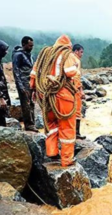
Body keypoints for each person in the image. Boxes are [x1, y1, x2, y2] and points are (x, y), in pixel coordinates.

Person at [30, 34, 79, 167]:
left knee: (51, 124)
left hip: (45, 95)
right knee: (67, 125)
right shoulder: (66, 54)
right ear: (68, 46)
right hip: (62, 95)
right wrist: (75, 65)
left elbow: (33, 75)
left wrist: (33, 90)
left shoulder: (45, 54)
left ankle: (52, 153)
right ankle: (67, 159)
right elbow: (69, 71)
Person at [12, 36, 38, 132]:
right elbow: (16, 72)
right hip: (23, 83)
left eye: (32, 46)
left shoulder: (28, 55)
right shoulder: (18, 55)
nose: (31, 47)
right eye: (30, 45)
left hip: (30, 83)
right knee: (26, 104)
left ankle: (32, 123)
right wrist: (20, 86)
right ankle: (28, 124)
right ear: (24, 45)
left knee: (31, 104)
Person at [72, 44, 86, 140]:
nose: (82, 54)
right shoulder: (75, 60)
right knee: (77, 111)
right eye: (81, 52)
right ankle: (76, 133)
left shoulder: (70, 58)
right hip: (74, 89)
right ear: (76, 51)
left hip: (71, 89)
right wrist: (81, 91)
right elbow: (76, 77)